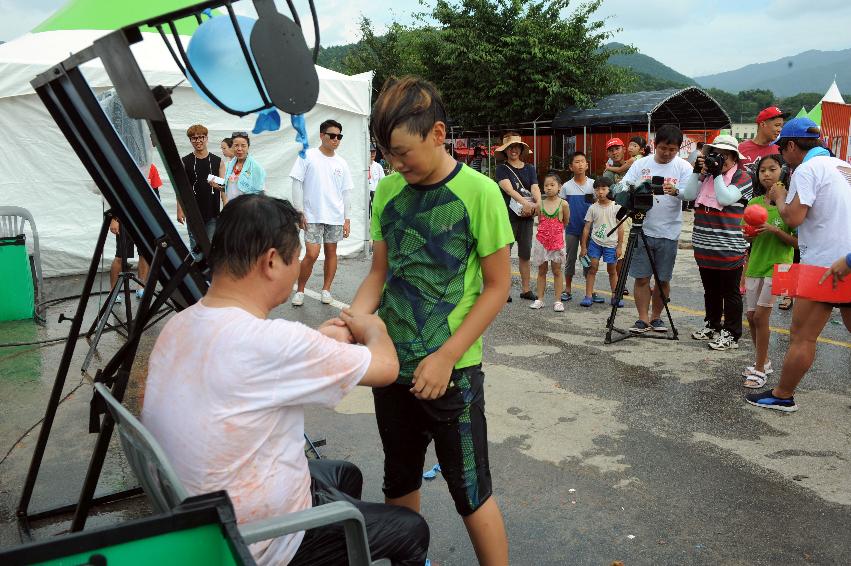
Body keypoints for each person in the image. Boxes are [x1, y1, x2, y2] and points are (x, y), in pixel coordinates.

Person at [141, 194, 429, 566]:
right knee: (410, 530)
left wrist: (318, 342)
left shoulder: (181, 324)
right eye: (296, 260)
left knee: (344, 474)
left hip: (201, 515)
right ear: (272, 261)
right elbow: (385, 367)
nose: (298, 270)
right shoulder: (273, 342)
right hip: (258, 541)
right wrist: (372, 327)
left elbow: (265, 361)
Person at [348, 76, 511, 565]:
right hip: (392, 367)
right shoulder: (389, 193)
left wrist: (446, 356)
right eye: (387, 154)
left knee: (470, 490)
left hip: (452, 372)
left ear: (438, 133)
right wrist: (353, 321)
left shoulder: (479, 193)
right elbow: (380, 271)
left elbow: (498, 286)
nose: (395, 164)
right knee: (398, 478)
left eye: (402, 152)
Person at [745, 118, 851, 412]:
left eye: (782, 148)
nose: (782, 155)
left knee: (802, 336)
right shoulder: (843, 166)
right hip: (849, 257)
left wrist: (779, 198)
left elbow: (794, 218)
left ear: (791, 145)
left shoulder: (807, 169)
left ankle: (782, 395)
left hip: (824, 265)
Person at [679, 134, 754, 350]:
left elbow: (725, 198)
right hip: (704, 247)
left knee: (730, 293)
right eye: (715, 155)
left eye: (724, 157)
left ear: (734, 158)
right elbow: (689, 194)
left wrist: (717, 173)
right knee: (710, 290)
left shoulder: (742, 177)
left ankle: (731, 333)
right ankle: (712, 324)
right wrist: (697, 171)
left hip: (728, 248)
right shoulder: (707, 177)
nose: (718, 160)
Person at [622, 124, 693, 334]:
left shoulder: (683, 167)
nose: (667, 153)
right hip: (642, 229)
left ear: (679, 149)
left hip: (669, 232)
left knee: (663, 278)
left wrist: (676, 191)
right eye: (663, 148)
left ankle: (657, 317)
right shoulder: (641, 164)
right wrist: (639, 189)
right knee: (642, 277)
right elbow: (625, 185)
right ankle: (642, 319)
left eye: (672, 150)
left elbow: (690, 194)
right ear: (655, 145)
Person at [740, 154, 798, 388]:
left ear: (781, 172)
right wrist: (748, 234)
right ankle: (763, 360)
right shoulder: (753, 204)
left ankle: (761, 369)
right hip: (756, 264)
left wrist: (773, 231)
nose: (766, 174)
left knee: (762, 316)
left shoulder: (790, 205)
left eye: (771, 169)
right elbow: (749, 238)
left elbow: (797, 243)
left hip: (780, 267)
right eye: (762, 170)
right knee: (751, 317)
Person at [289, 119, 354, 306]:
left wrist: (346, 219)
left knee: (332, 252)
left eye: (339, 136)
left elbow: (346, 192)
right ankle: (300, 290)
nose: (335, 139)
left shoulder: (342, 163)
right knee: (312, 253)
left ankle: (326, 289)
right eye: (331, 135)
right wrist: (299, 212)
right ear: (321, 135)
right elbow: (296, 183)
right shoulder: (307, 156)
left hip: (335, 216)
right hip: (312, 215)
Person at [495, 132, 540, 302]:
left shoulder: (530, 168)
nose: (514, 150)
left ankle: (526, 289)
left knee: (525, 254)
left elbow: (535, 187)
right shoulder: (501, 169)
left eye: (516, 147)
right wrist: (527, 203)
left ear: (521, 149)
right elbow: (509, 190)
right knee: (505, 254)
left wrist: (537, 203)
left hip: (527, 217)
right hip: (508, 216)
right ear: (505, 151)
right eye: (510, 147)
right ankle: (504, 291)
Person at [178, 124, 226, 260]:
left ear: (206, 138)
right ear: (190, 140)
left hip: (212, 210)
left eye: (201, 137)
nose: (198, 141)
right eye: (194, 138)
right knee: (196, 249)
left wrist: (226, 206)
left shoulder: (217, 161)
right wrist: (179, 209)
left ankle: (209, 279)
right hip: (192, 210)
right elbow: (180, 187)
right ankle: (198, 278)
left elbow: (224, 188)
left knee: (210, 247)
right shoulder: (185, 161)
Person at [580, 177, 623, 307]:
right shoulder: (593, 208)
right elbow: (587, 228)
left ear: (610, 190)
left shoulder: (617, 207)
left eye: (603, 189)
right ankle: (588, 295)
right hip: (595, 243)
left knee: (612, 270)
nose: (600, 192)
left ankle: (615, 296)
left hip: (611, 244)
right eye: (597, 189)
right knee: (592, 268)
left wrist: (619, 246)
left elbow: (621, 228)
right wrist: (583, 246)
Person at [529, 173, 569, 311]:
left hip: (557, 242)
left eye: (552, 185)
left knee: (557, 271)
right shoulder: (540, 204)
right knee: (542, 270)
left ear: (559, 187)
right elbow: (539, 220)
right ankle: (540, 299)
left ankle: (558, 301)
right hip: (542, 242)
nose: (549, 188)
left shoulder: (563, 204)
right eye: (546, 185)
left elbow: (566, 221)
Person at [559, 152, 595, 303]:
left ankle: (590, 291)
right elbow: (560, 207)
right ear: (570, 166)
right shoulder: (566, 187)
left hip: (590, 229)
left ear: (587, 165)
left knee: (588, 259)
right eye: (576, 162)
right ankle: (567, 289)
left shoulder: (594, 185)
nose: (580, 164)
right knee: (570, 258)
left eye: (583, 162)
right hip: (572, 228)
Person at [223, 132, 266, 203]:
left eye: (243, 145)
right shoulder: (230, 165)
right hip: (232, 208)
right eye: (236, 145)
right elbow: (231, 188)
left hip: (248, 209)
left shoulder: (256, 167)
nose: (239, 149)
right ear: (232, 147)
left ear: (248, 147)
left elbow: (260, 193)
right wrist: (217, 186)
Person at [368, 143, 385, 218]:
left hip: (375, 193)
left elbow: (383, 182)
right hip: (366, 194)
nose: (372, 154)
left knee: (375, 215)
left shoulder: (378, 166)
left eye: (374, 152)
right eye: (370, 152)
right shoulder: (362, 165)